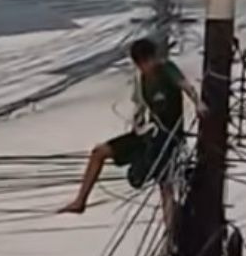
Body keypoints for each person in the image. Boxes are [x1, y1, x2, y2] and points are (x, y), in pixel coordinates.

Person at [59, 37, 206, 230]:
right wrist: (137, 123)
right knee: (99, 152)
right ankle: (80, 201)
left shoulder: (166, 69)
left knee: (166, 185)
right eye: (143, 63)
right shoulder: (141, 80)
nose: (148, 66)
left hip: (169, 138)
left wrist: (198, 104)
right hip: (147, 134)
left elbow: (185, 85)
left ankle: (170, 238)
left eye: (150, 61)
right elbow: (139, 107)